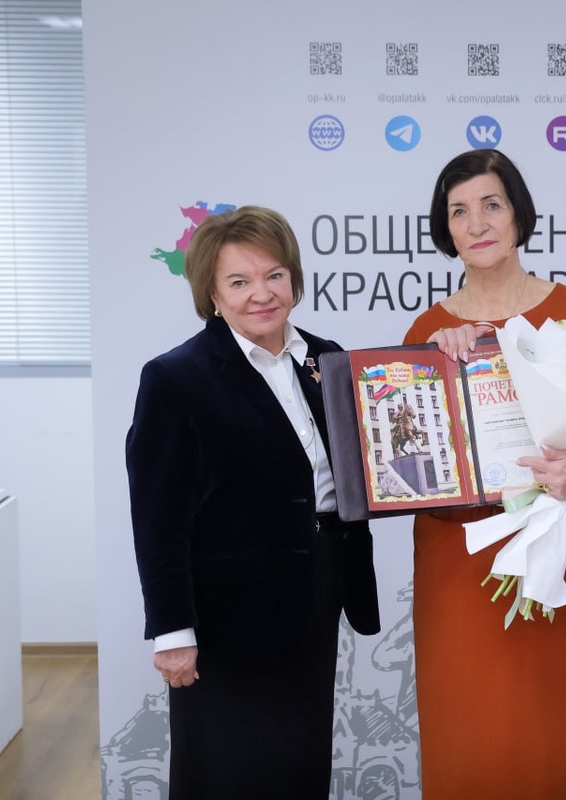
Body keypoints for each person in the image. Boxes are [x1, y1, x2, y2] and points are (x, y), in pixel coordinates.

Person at [402, 148, 566, 799]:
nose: (476, 223)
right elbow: (405, 465)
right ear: (445, 228)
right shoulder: (428, 330)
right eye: (458, 211)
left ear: (518, 214)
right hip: (462, 573)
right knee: (470, 741)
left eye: (491, 204)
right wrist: (432, 371)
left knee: (559, 743)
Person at [125, 205, 380, 798]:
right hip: (227, 618)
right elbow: (158, 520)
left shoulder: (327, 359)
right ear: (212, 295)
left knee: (298, 764)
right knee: (227, 769)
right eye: (238, 281)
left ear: (293, 278)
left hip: (316, 591)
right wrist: (172, 631)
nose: (261, 294)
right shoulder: (175, 379)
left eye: (274, 275)